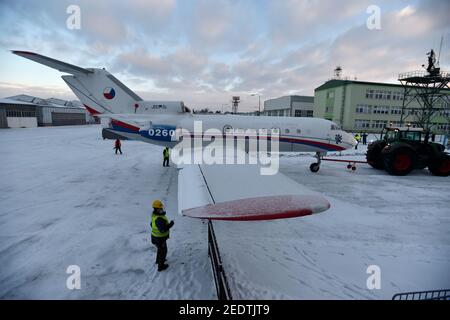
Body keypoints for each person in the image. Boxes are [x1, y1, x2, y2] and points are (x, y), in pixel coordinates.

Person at [151, 199, 174, 272]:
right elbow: (163, 230)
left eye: (162, 208)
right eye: (160, 209)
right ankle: (161, 266)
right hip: (160, 239)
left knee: (160, 250)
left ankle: (158, 260)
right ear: (156, 209)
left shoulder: (155, 216)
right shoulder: (159, 219)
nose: (162, 209)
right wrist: (170, 224)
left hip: (156, 237)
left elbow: (151, 224)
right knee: (163, 251)